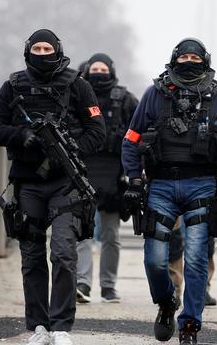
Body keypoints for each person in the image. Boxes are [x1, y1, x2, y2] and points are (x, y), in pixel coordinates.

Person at [122, 38, 217, 345]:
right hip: (160, 186)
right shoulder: (154, 95)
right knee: (155, 260)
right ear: (174, 59)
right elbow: (131, 140)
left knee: (197, 259)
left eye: (194, 57)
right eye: (184, 56)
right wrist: (134, 180)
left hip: (202, 184)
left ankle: (190, 325)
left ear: (205, 61)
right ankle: (167, 302)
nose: (189, 61)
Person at [0, 29, 105, 345]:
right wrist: (20, 137)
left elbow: (97, 131)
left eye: (46, 47)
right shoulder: (13, 86)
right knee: (32, 255)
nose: (41, 52)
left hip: (66, 184)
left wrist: (67, 149)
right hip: (28, 184)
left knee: (64, 252)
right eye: (36, 47)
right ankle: (38, 326)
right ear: (27, 51)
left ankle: (61, 326)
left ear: (58, 50)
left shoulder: (77, 84)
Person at [76, 53, 139, 304]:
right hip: (83, 173)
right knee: (83, 233)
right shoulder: (78, 96)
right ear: (87, 70)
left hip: (114, 176)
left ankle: (108, 286)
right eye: (94, 68)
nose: (99, 73)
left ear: (111, 71)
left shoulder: (124, 99)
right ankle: (82, 283)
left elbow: (141, 127)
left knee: (111, 236)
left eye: (103, 69)